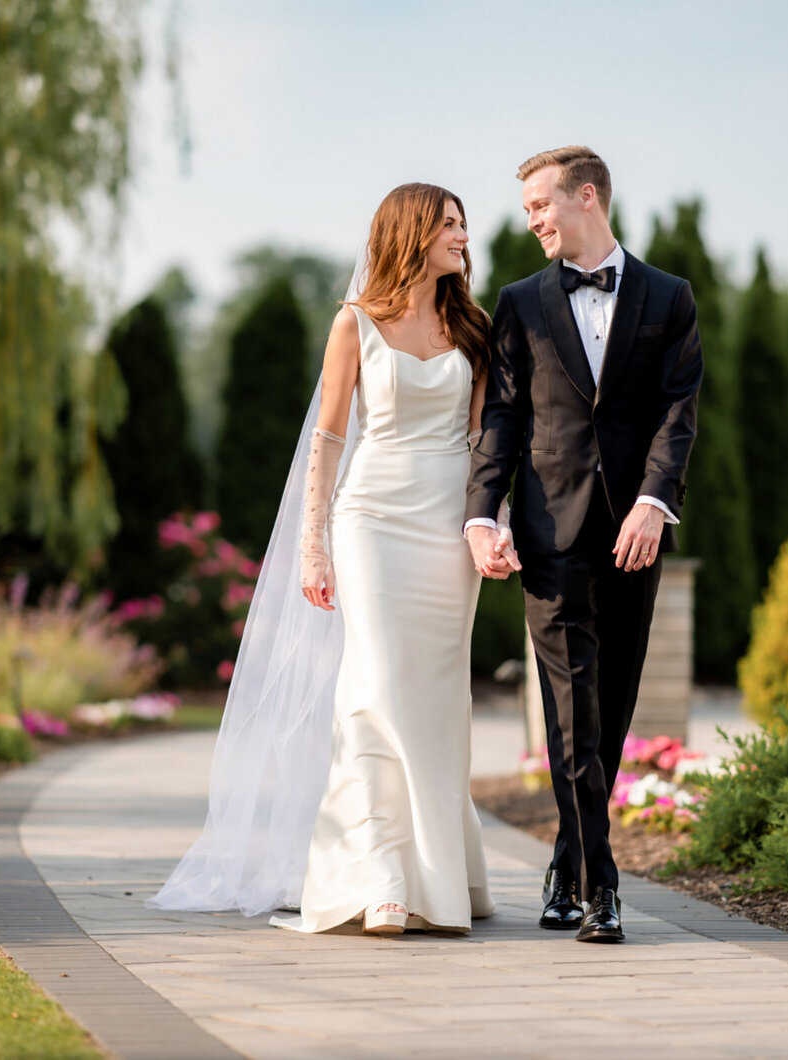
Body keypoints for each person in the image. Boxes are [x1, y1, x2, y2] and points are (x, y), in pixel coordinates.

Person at [147, 183, 503, 936]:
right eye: (449, 224)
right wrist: (314, 543)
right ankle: (379, 880)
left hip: (447, 529)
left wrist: (489, 524)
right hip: (370, 519)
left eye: (464, 225)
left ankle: (443, 878)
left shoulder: (474, 327)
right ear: (410, 232)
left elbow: (483, 445)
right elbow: (328, 439)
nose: (463, 237)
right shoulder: (355, 325)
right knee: (372, 686)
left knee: (437, 699)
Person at [465, 146, 703, 943]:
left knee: (611, 710)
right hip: (548, 533)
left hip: (633, 534)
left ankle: (566, 862)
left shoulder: (670, 298)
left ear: (587, 196)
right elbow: (501, 417)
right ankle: (603, 889)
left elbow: (679, 411)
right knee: (570, 713)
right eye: (527, 208)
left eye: (540, 204)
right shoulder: (521, 303)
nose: (531, 220)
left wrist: (653, 501)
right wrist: (482, 513)